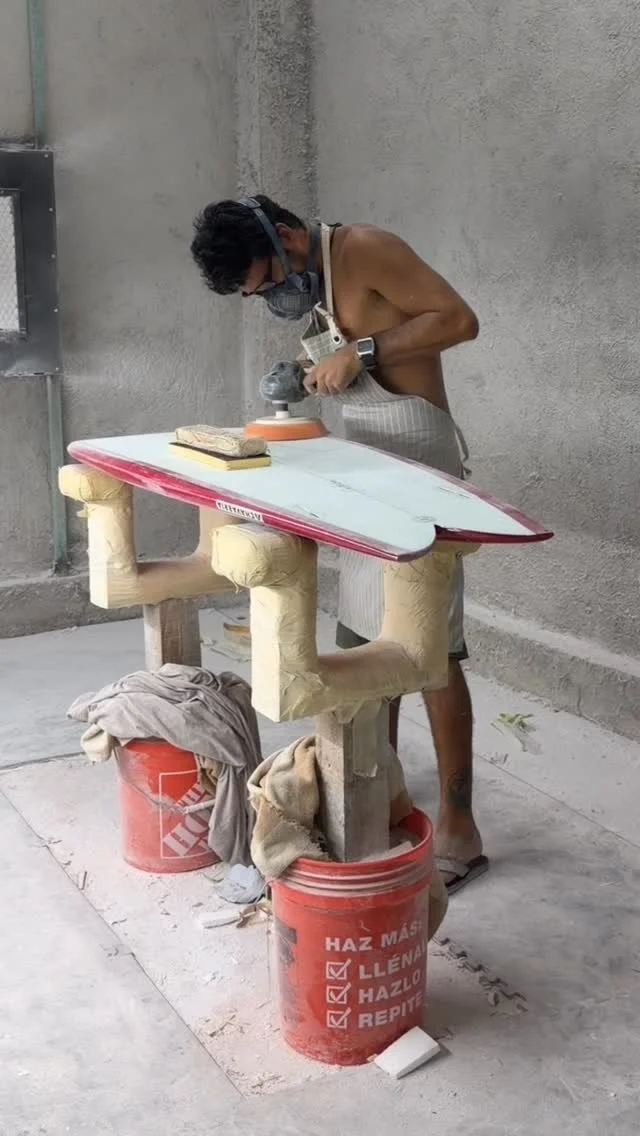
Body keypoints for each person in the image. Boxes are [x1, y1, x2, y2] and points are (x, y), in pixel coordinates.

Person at [191, 194, 487, 895]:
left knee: (433, 652)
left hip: (420, 462)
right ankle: (379, 791)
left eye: (267, 280)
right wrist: (306, 370)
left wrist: (363, 352)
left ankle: (460, 825)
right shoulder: (319, 283)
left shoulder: (365, 248)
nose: (271, 296)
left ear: (285, 236)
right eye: (256, 295)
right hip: (369, 466)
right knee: (368, 642)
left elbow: (459, 320)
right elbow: (344, 353)